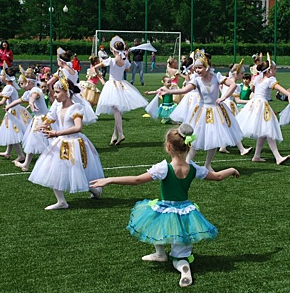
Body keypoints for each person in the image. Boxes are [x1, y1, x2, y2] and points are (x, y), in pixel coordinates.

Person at [89, 123, 240, 288]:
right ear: (188, 147)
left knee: (154, 220)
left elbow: (137, 180)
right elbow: (217, 176)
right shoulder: (193, 168)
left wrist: (110, 179)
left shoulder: (164, 168)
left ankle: (172, 261)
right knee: (173, 240)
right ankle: (173, 261)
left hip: (165, 208)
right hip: (185, 212)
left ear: (168, 147)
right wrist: (231, 169)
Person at [28, 73, 104, 209]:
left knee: (78, 171)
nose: (55, 95)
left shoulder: (75, 108)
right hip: (61, 142)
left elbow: (78, 127)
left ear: (67, 93)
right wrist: (43, 125)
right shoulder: (57, 106)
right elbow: (51, 118)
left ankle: (95, 190)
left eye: (57, 92)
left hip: (74, 143)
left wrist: (56, 133)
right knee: (53, 170)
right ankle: (61, 201)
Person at [160, 50, 244, 170]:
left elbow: (233, 85)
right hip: (202, 111)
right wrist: (169, 91)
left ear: (207, 67)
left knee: (215, 139)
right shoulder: (197, 80)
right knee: (195, 137)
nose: (197, 70)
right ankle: (188, 162)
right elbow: (184, 90)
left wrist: (223, 97)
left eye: (200, 68)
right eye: (196, 68)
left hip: (216, 111)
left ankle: (208, 164)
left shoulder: (217, 77)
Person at [236, 60, 290, 164]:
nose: (276, 71)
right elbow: (278, 88)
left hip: (254, 104)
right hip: (262, 105)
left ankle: (257, 156)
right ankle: (278, 157)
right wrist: (288, 94)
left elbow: (253, 89)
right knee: (268, 129)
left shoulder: (258, 78)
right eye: (275, 69)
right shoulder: (270, 80)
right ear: (269, 71)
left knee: (264, 131)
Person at [95, 36, 147, 145]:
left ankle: (121, 133)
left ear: (114, 50)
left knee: (116, 111)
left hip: (112, 85)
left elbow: (97, 66)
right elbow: (127, 68)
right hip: (121, 85)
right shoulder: (124, 61)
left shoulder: (112, 60)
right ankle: (114, 135)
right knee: (117, 111)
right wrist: (126, 57)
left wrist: (98, 73)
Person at [0, 66, 31, 163]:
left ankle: (20, 155)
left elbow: (2, 99)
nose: (0, 77)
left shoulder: (8, 87)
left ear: (6, 77)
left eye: (1, 75)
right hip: (14, 111)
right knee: (10, 132)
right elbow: (2, 96)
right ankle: (8, 152)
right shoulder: (10, 86)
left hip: (13, 112)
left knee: (13, 133)